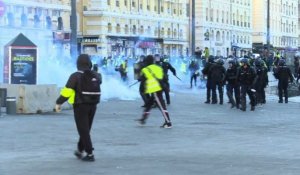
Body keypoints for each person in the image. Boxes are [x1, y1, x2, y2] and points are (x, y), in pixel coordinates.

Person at [55, 54, 101, 162]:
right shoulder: (95, 75)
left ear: (78, 64)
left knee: (83, 130)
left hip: (80, 106)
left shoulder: (75, 76)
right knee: (85, 129)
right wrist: (94, 70)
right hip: (93, 105)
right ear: (89, 63)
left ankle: (90, 154)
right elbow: (99, 80)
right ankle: (80, 150)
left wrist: (58, 102)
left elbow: (67, 92)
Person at [136, 55, 172, 128]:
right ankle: (143, 119)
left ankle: (168, 123)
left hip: (155, 90)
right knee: (149, 105)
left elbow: (141, 80)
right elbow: (164, 77)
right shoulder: (159, 68)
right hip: (160, 88)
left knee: (162, 107)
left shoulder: (145, 69)